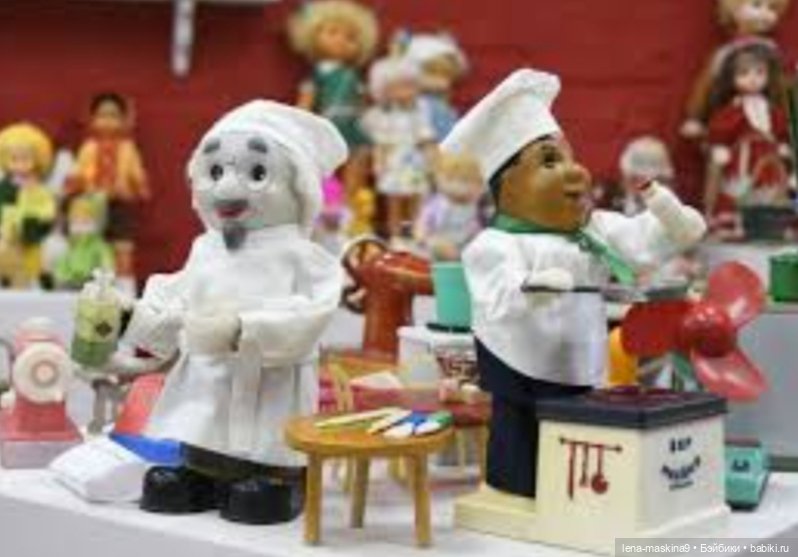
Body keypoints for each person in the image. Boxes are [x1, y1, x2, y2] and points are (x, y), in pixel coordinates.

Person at [443, 69, 706, 499]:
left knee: (575, 440)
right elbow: (499, 294)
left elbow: (640, 241)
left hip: (579, 360)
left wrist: (671, 218)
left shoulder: (593, 231)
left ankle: (570, 496)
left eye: (570, 158)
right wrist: (534, 287)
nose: (575, 172)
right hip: (517, 362)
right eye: (550, 162)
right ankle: (514, 492)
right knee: (519, 440)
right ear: (508, 187)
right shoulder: (495, 244)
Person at [120, 100, 346, 524]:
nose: (227, 189)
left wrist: (243, 329)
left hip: (270, 378)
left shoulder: (303, 257)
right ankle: (202, 472)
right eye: (215, 172)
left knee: (267, 436)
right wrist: (134, 318)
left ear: (298, 189)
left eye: (257, 173)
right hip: (208, 374)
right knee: (202, 418)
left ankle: (278, 477)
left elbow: (312, 313)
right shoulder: (205, 249)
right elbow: (177, 295)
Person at [362, 55, 437, 239]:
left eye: (411, 85)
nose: (407, 92)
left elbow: (425, 138)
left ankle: (416, 232)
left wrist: (432, 159)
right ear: (384, 91)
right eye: (399, 87)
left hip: (414, 162)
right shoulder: (384, 115)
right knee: (393, 200)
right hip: (393, 162)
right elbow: (381, 143)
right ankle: (395, 234)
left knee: (416, 197)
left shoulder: (419, 112)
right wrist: (379, 163)